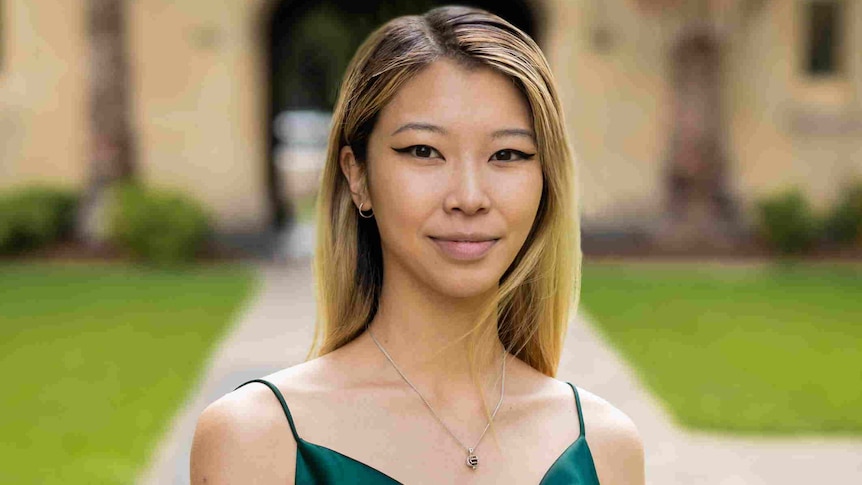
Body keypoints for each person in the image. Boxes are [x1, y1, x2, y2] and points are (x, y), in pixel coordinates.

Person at [191, 6, 644, 484]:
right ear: (357, 175)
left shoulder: (605, 447)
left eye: (507, 154)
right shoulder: (255, 439)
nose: (469, 198)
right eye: (424, 151)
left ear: (545, 181)